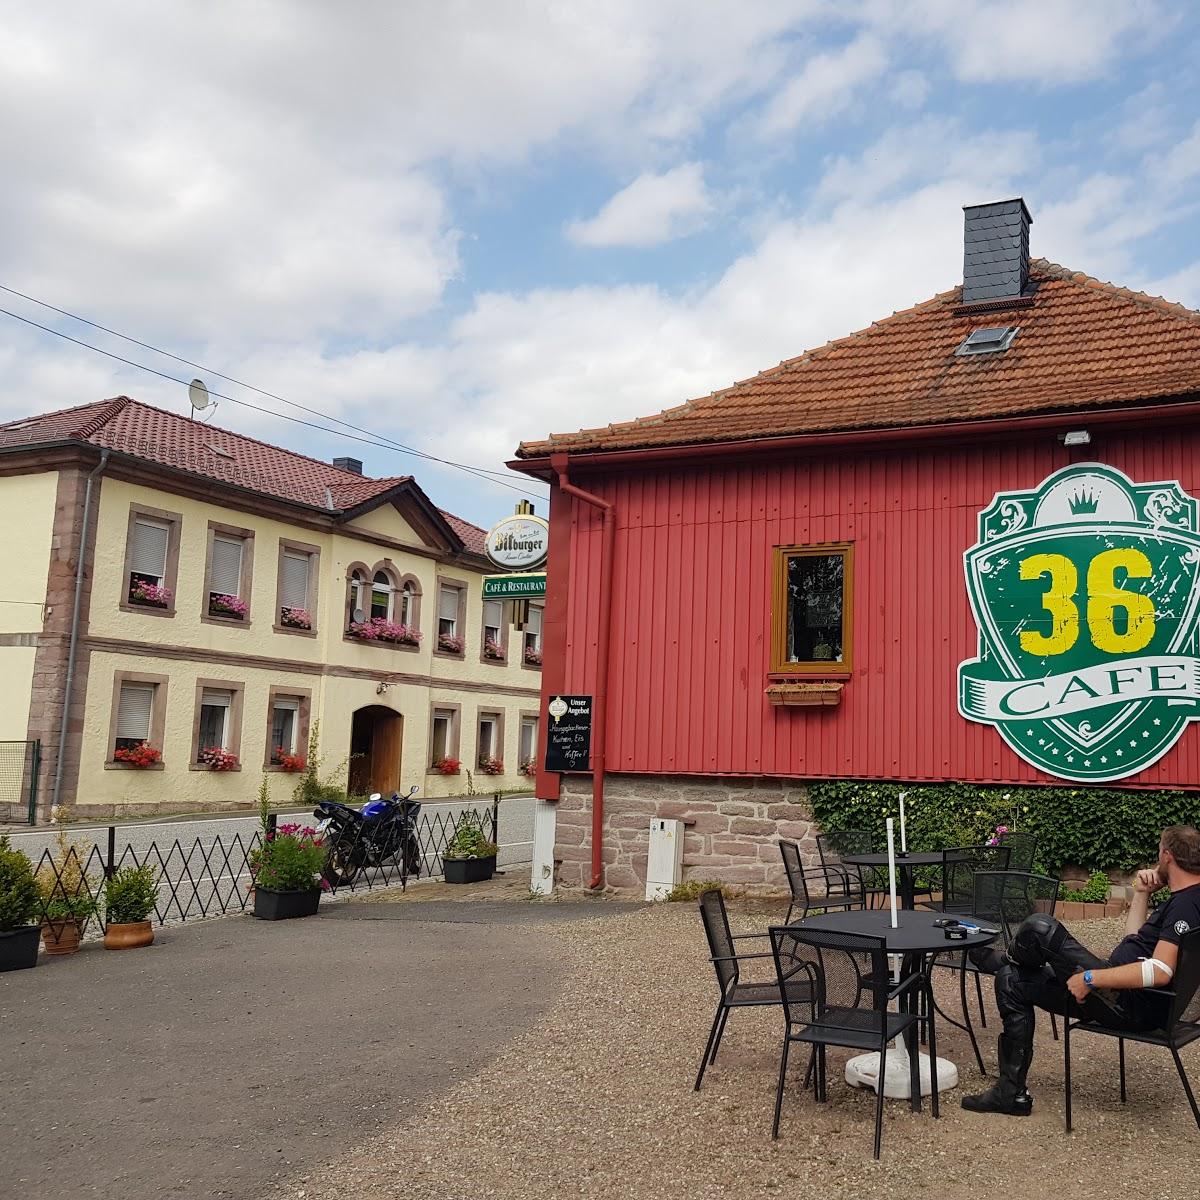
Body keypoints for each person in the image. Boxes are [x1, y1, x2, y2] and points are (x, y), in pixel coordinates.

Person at [962, 824, 1200, 1116]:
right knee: (1011, 980)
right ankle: (1009, 1094)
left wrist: (1091, 977)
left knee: (1040, 927)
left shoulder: (1185, 906)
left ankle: (1005, 957)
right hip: (1126, 998)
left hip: (1125, 1003)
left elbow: (1160, 971)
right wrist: (1141, 893)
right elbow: (1135, 942)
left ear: (1166, 857)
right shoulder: (1189, 898)